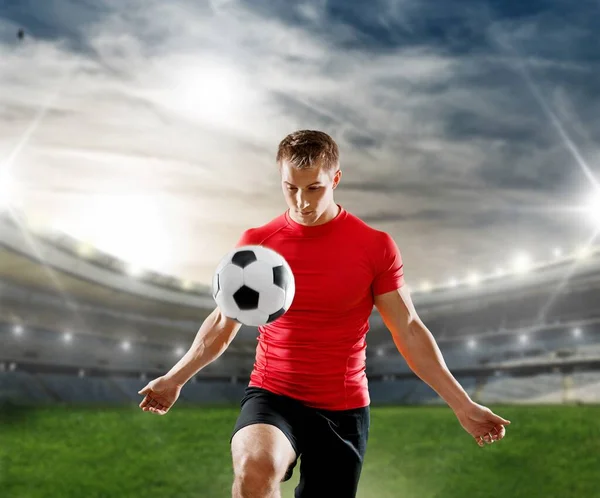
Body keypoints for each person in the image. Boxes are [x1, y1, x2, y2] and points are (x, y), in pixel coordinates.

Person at [138, 130, 511, 498]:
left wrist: (462, 404)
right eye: (291, 187)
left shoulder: (374, 247)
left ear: (335, 179)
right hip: (273, 395)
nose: (301, 201)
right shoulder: (257, 245)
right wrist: (175, 378)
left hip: (343, 410)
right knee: (255, 469)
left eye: (313, 188)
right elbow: (223, 322)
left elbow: (409, 330)